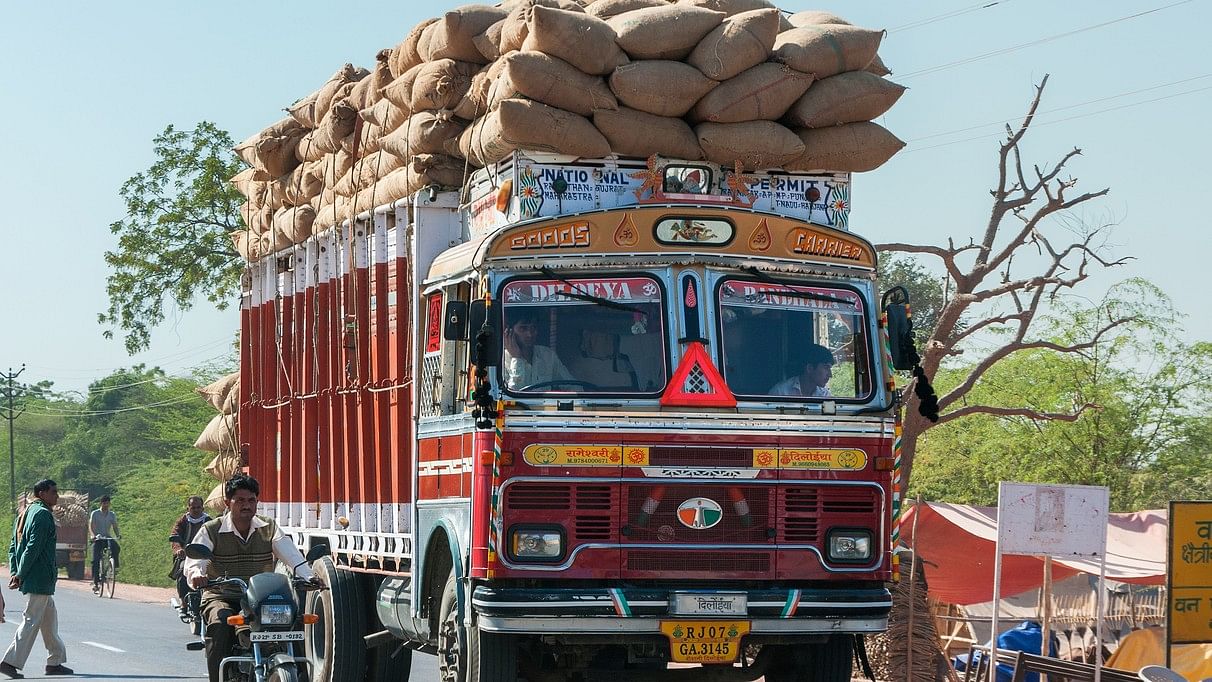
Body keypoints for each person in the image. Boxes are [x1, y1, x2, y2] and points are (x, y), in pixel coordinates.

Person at [184, 474, 318, 682]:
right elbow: (194, 563)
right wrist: (197, 576)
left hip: (260, 596)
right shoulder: (211, 530)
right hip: (222, 594)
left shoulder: (268, 527)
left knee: (292, 621)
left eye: (251, 500)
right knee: (220, 623)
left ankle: (300, 675)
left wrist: (310, 577)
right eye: (241, 500)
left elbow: (292, 556)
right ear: (228, 503)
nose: (246, 505)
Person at [1, 479, 73, 678]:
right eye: (54, 492)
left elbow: (13, 547)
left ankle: (55, 662)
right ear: (42, 493)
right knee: (32, 620)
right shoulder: (42, 515)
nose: (57, 496)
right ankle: (10, 662)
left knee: (49, 620)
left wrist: (17, 570)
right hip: (39, 576)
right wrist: (20, 574)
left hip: (35, 576)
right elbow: (33, 547)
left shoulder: (25, 512)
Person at [502, 310, 573, 390]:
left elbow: (570, 384)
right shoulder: (501, 362)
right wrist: (517, 359)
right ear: (508, 332)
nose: (530, 334)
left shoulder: (547, 355)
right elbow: (512, 395)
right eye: (523, 328)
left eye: (533, 327)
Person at [169, 496, 211, 614]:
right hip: (186, 556)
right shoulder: (183, 521)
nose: (196, 510)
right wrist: (178, 549)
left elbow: (216, 537)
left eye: (198, 507)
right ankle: (183, 602)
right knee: (182, 574)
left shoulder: (209, 521)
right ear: (188, 508)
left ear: (202, 508)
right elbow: (175, 535)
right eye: (193, 507)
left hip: (205, 555)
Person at [768, 343, 835, 397]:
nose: (830, 375)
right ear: (809, 368)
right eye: (826, 368)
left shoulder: (824, 395)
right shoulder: (780, 392)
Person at [89, 494, 121, 589]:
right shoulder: (95, 513)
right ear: (101, 503)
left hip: (107, 537)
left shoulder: (112, 514)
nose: (106, 505)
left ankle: (113, 567)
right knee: (95, 560)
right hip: (98, 539)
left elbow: (115, 526)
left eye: (108, 503)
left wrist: (118, 535)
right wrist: (92, 535)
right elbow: (90, 526)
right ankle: (95, 582)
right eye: (104, 503)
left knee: (116, 548)